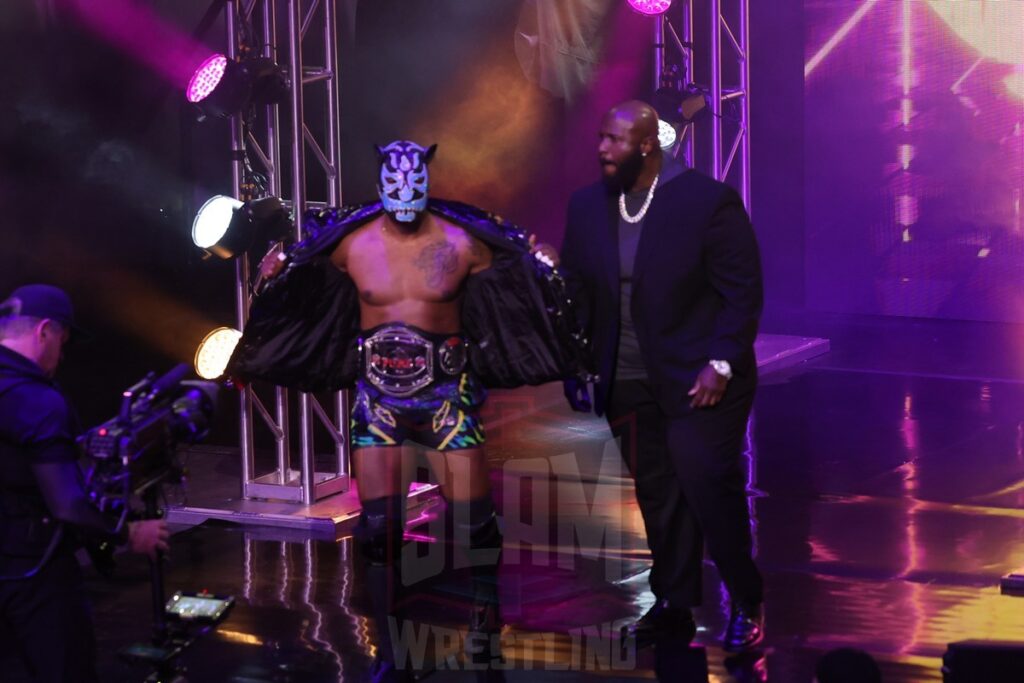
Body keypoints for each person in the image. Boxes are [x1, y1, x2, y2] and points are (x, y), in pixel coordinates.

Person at [227, 140, 590, 681]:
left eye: (413, 184)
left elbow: (519, 270)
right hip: (379, 402)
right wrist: (272, 274)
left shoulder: (462, 240)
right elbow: (299, 280)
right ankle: (390, 654)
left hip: (448, 396)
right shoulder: (350, 243)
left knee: (475, 525)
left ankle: (485, 635)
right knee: (379, 533)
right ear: (379, 187)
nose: (404, 194)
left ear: (425, 183)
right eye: (393, 185)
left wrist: (543, 262)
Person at [557, 101, 765, 652]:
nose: (602, 149)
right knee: (657, 492)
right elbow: (576, 290)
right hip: (625, 377)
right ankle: (673, 602)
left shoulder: (705, 201)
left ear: (647, 144)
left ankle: (747, 600)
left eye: (615, 140)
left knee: (704, 482)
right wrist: (576, 359)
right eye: (600, 137)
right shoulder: (587, 206)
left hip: (701, 377)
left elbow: (741, 292)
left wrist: (721, 361)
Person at [0, 284, 170, 682]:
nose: (62, 352)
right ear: (45, 332)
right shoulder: (37, 401)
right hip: (33, 576)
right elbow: (67, 505)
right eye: (63, 338)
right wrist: (128, 533)